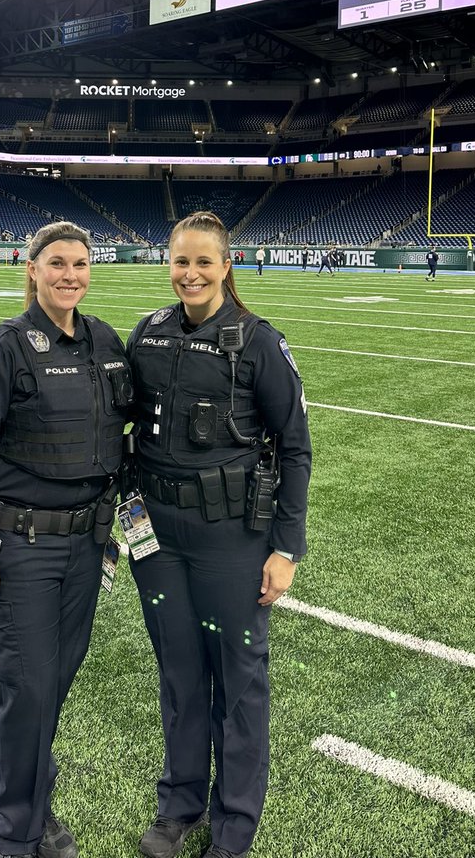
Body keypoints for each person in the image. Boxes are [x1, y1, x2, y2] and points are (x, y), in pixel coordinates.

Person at [125, 211, 311, 858]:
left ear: (226, 266)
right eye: (181, 261)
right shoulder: (146, 334)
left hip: (231, 537)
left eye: (204, 262)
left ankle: (233, 830)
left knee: (238, 681)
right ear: (167, 263)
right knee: (179, 674)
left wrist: (287, 547)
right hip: (157, 539)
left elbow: (295, 448)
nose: (191, 274)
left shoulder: (259, 341)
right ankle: (180, 805)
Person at [0, 221, 133, 858]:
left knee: (51, 685)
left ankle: (35, 807)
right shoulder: (2, 350)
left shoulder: (104, 340)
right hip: (19, 549)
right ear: (32, 269)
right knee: (27, 690)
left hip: (86, 547)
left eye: (80, 264)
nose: (70, 275)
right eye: (56, 263)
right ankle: (16, 836)